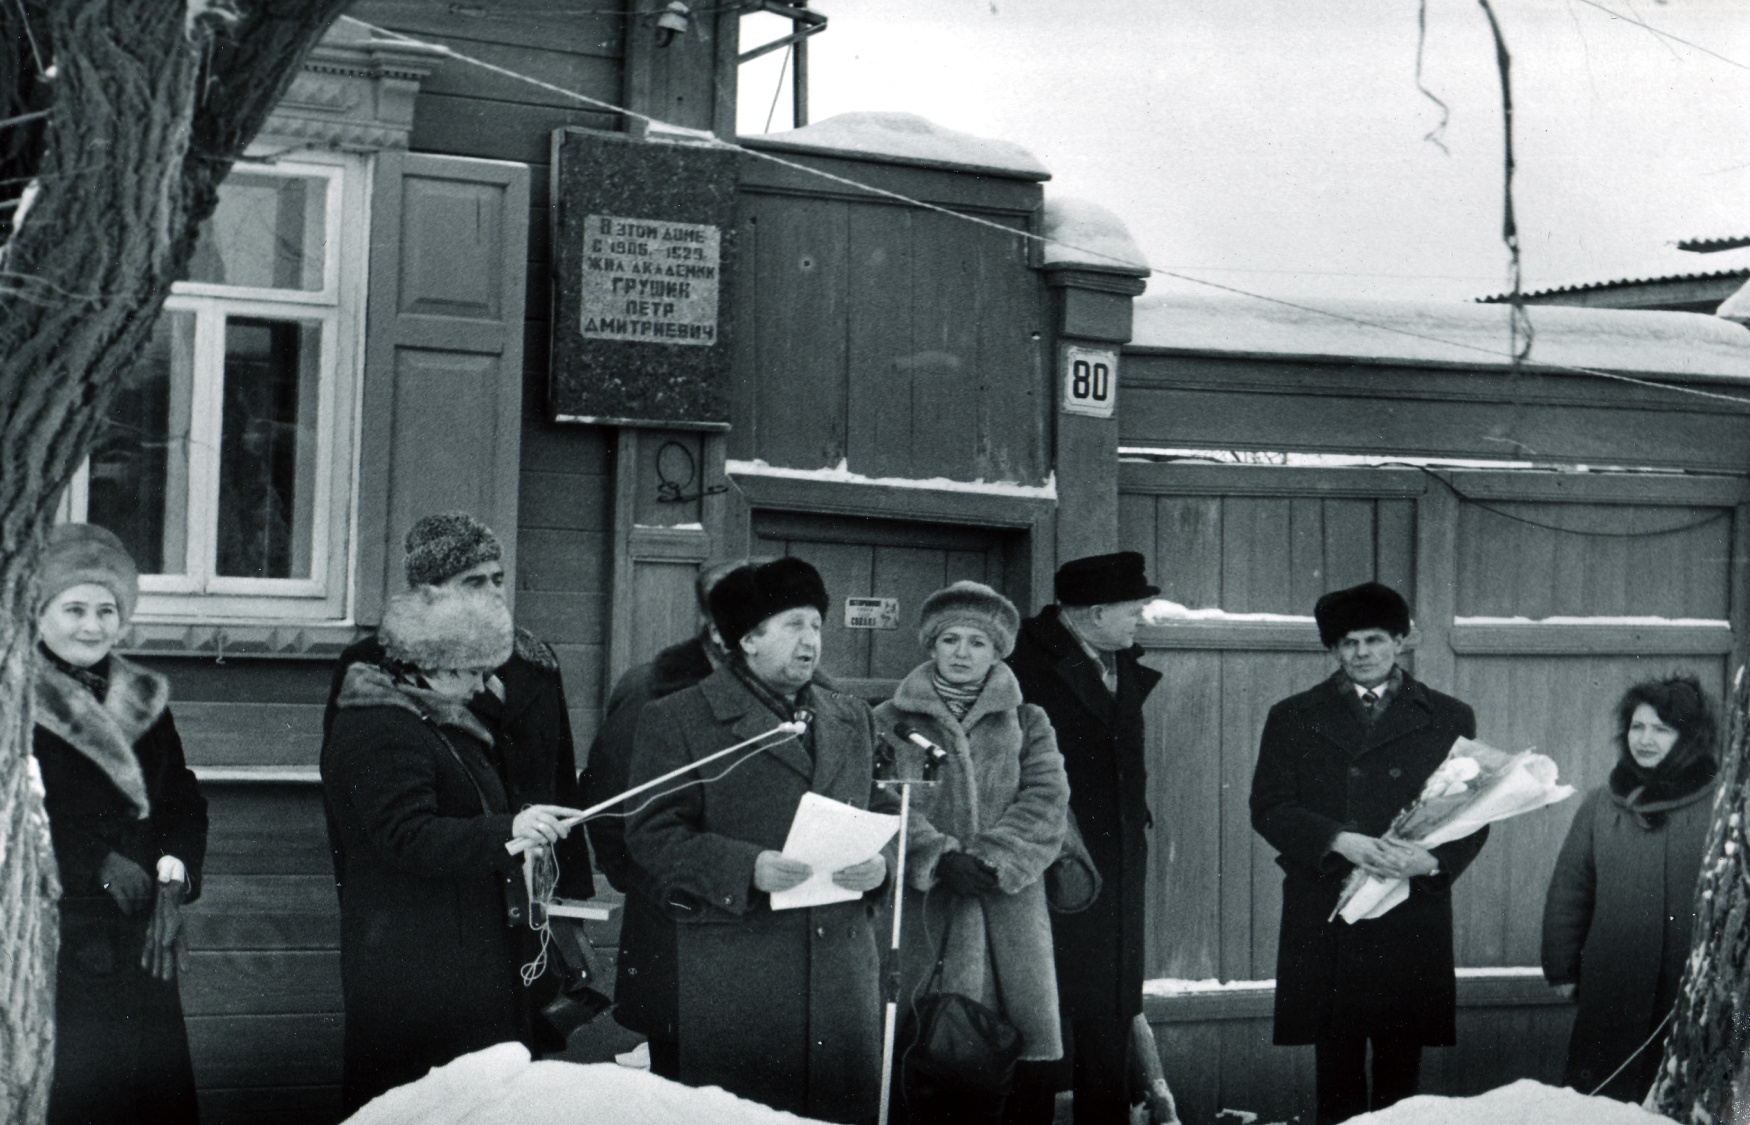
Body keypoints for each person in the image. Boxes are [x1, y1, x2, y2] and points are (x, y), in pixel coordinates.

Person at [624, 557, 893, 1122]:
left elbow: (887, 812)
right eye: (794, 624)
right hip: (741, 970)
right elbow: (651, 833)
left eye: (817, 625)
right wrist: (745, 867)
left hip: (842, 974)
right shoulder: (679, 718)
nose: (811, 640)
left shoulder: (853, 717)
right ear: (748, 639)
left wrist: (881, 866)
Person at [321, 512, 595, 1033]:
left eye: (498, 578)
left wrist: (568, 898)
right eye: (474, 581)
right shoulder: (378, 670)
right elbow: (368, 812)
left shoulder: (534, 660)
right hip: (430, 902)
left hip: (523, 891)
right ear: (430, 592)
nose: (493, 592)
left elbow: (559, 778)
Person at [1250, 581, 1489, 1125]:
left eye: (1374, 640)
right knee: (1335, 1064)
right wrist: (1340, 839)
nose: (1361, 653)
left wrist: (1430, 863)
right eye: (1347, 643)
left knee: (1401, 1069)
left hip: (1408, 908)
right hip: (1328, 904)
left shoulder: (1449, 717)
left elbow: (1472, 816)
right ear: (1332, 650)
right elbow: (1268, 807)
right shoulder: (1293, 716)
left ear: (1401, 640)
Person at [874, 581, 1070, 1123]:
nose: (962, 653)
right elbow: (876, 803)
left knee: (1002, 1066)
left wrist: (992, 859)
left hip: (1006, 910)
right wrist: (935, 856)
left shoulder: (1029, 722)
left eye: (978, 642)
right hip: (922, 913)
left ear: (998, 650)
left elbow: (1047, 801)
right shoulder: (888, 721)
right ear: (931, 646)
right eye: (950, 639)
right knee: (916, 1061)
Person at [32, 523, 208, 1125]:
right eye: (74, 608)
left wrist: (172, 876)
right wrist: (95, 862)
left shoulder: (142, 697)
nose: (92, 625)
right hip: (58, 935)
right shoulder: (16, 698)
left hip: (140, 936)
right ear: (40, 611)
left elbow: (182, 799)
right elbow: (14, 808)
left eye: (106, 610)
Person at [1004, 551, 1162, 1125]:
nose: (1143, 619)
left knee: (1109, 1012)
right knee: (1039, 1011)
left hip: (1116, 866)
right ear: (1095, 613)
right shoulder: (1020, 662)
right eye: (1135, 609)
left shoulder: (1117, 659)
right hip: (1053, 866)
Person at [578, 557, 751, 1078]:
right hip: (678, 917)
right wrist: (647, 881)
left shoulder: (808, 696)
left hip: (770, 923)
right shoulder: (653, 688)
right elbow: (609, 799)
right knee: (684, 1079)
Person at [1541, 675, 1721, 1102]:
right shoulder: (1601, 804)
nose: (1646, 739)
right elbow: (1572, 888)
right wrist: (1562, 966)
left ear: (1690, 737)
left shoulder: (1726, 803)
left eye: (1662, 729)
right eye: (1638, 727)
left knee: (1701, 1098)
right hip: (1613, 983)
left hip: (1700, 986)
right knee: (1607, 1095)